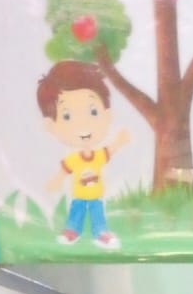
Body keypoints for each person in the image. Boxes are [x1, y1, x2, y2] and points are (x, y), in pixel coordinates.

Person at [38, 61, 130, 250]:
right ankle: (72, 231)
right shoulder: (74, 159)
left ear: (107, 114)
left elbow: (109, 151)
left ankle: (101, 233)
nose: (82, 124)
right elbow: (65, 170)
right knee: (76, 212)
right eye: (67, 116)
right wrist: (56, 181)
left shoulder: (98, 155)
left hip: (96, 195)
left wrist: (120, 142)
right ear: (51, 125)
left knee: (98, 214)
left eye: (93, 111)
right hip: (79, 195)